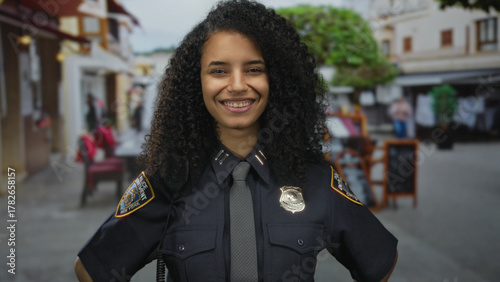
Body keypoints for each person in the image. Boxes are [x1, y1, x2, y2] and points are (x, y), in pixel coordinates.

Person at [75, 1, 398, 281]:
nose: (237, 85)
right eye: (218, 71)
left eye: (254, 69)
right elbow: (92, 270)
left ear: (278, 80)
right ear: (195, 82)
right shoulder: (166, 182)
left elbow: (379, 263)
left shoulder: (316, 180)